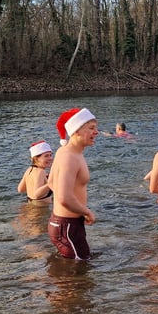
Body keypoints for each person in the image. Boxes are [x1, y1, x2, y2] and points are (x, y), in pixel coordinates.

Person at [48, 108, 99, 260]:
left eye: (96, 127)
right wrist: (86, 211)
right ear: (76, 130)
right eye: (91, 128)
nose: (96, 132)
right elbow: (64, 197)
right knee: (79, 274)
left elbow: (51, 182)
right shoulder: (69, 157)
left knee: (75, 269)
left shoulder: (67, 152)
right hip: (67, 226)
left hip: (65, 224)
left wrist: (76, 211)